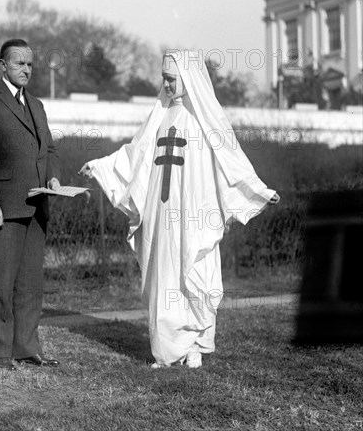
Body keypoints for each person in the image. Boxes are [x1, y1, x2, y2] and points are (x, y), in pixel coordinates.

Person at [80, 51, 280, 369]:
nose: (166, 84)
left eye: (171, 78)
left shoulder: (205, 119)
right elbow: (136, 155)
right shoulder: (160, 115)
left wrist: (257, 191)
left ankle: (196, 345)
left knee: (196, 273)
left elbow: (229, 161)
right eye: (164, 78)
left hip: (194, 213)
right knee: (163, 277)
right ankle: (167, 350)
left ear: (188, 79)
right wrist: (100, 166)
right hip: (161, 215)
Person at [0, 39, 61, 370]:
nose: (26, 69)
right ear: (2, 65)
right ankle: (2, 353)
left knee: (31, 285)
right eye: (19, 63)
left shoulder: (36, 105)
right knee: (3, 284)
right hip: (4, 208)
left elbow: (48, 149)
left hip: (38, 207)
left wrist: (53, 178)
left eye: (30, 64)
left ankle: (27, 346)